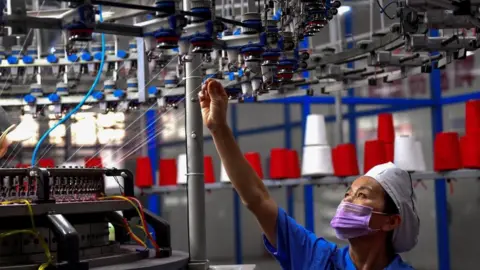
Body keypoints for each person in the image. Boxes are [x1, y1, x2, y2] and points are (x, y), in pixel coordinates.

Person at [200, 79, 420, 270]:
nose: (347, 200)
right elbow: (257, 199)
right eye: (347, 193)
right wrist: (218, 129)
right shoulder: (317, 258)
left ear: (391, 221)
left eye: (361, 195)